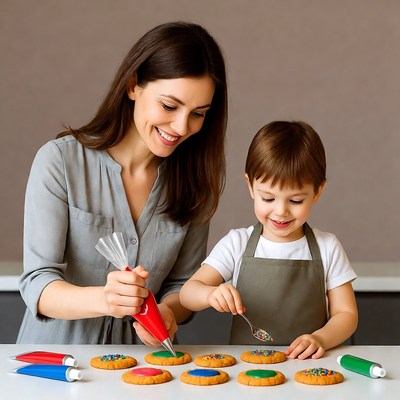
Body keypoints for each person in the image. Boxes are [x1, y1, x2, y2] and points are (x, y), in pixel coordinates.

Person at [17, 21, 228, 345]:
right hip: (54, 368)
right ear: (133, 85)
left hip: (138, 373)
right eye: (169, 106)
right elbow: (37, 284)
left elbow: (182, 285)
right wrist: (105, 299)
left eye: (198, 113)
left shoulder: (195, 185)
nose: (181, 126)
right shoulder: (60, 162)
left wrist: (168, 312)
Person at [180, 120, 358, 359]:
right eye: (268, 198)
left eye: (295, 201)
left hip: (307, 367)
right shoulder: (237, 243)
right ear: (251, 186)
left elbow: (346, 314)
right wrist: (210, 295)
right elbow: (188, 293)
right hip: (249, 371)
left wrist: (321, 338)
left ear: (317, 192)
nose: (281, 211)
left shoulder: (328, 247)